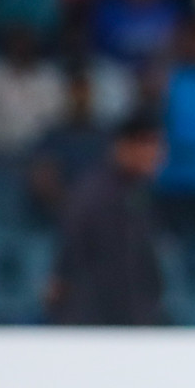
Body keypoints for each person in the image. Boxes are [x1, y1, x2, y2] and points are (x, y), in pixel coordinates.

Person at [46, 111, 166, 325]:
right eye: (147, 144)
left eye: (158, 145)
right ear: (123, 146)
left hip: (130, 323)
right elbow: (70, 261)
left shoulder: (139, 195)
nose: (156, 154)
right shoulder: (94, 196)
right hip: (96, 326)